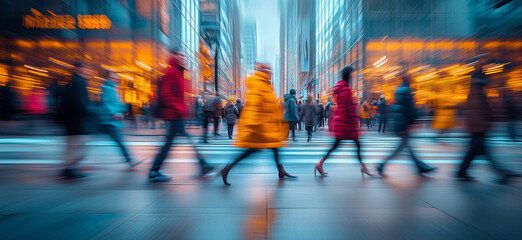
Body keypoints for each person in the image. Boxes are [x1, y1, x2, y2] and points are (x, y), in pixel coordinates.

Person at [220, 63, 296, 185]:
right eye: (266, 69)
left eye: (270, 69)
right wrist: (254, 125)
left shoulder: (267, 85)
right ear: (261, 70)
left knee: (275, 147)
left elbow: (271, 105)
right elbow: (254, 105)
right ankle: (227, 168)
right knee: (251, 150)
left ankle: (281, 170)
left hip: (269, 125)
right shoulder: (258, 84)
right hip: (261, 126)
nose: (269, 71)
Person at [150, 49, 214, 182]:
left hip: (177, 114)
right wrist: (178, 107)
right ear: (173, 56)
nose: (183, 57)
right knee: (179, 141)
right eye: (180, 54)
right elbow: (165, 95)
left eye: (183, 55)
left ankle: (155, 170)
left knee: (170, 142)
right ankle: (202, 165)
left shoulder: (180, 72)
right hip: (174, 114)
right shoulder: (172, 71)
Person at [456, 68, 517, 182]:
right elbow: (478, 110)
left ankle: (461, 171)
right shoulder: (477, 91)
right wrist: (489, 120)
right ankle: (500, 174)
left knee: (474, 151)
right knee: (481, 151)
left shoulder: (476, 90)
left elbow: (479, 109)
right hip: (478, 127)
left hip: (477, 127)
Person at [314, 66, 372, 177]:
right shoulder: (346, 89)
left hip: (342, 122)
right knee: (356, 145)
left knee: (338, 145)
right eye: (352, 75)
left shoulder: (340, 88)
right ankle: (363, 167)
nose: (353, 77)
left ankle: (320, 163)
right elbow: (349, 109)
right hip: (346, 124)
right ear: (348, 75)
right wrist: (357, 124)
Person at [376, 73, 437, 177]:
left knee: (406, 147)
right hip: (403, 123)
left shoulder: (398, 90)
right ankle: (382, 164)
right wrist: (411, 123)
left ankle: (421, 167)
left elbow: (400, 108)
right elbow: (409, 110)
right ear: (409, 80)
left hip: (399, 122)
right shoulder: (406, 91)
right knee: (402, 147)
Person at [100, 71, 142, 169]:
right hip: (109, 119)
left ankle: (130, 160)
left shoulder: (114, 89)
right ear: (108, 77)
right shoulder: (107, 88)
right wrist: (114, 113)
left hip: (112, 119)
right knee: (119, 140)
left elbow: (116, 103)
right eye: (112, 77)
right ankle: (130, 160)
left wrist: (121, 111)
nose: (115, 79)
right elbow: (106, 103)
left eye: (115, 78)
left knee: (119, 140)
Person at [60, 62, 92, 179]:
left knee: (75, 146)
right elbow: (79, 104)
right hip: (76, 121)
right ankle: (70, 170)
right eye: (86, 70)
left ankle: (69, 169)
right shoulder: (77, 84)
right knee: (77, 145)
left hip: (75, 121)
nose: (89, 73)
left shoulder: (78, 83)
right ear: (78, 70)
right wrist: (89, 111)